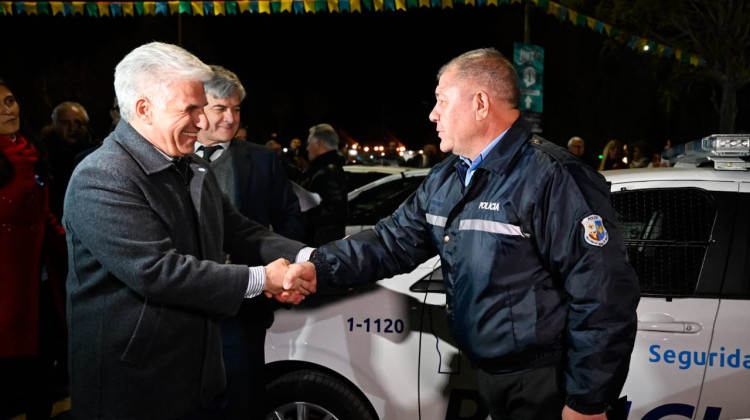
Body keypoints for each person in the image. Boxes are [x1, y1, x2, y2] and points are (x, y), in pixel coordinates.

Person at [295, 48, 639, 420]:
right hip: (489, 375)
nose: (432, 113)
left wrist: (587, 402)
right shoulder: (448, 177)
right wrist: (317, 266)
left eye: (442, 100)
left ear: (479, 103)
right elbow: (390, 241)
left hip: (545, 382)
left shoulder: (554, 177)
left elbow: (603, 293)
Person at [62, 41, 316, 420]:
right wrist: (264, 278)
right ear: (144, 108)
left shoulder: (191, 164)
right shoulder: (102, 176)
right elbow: (158, 272)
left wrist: (306, 258)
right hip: (135, 388)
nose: (203, 122)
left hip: (196, 378)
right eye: (191, 109)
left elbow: (237, 229)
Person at [194, 64, 306, 420]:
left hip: (244, 307)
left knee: (242, 401)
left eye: (237, 108)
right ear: (197, 107)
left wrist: (284, 269)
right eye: (220, 108)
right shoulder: (172, 157)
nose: (231, 118)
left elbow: (290, 219)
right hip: (184, 307)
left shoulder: (262, 159)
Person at [0, 77, 68, 420]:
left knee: (41, 370)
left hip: (40, 283)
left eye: (9, 100)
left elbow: (44, 216)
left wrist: (76, 249)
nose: (5, 109)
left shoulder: (30, 148)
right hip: (6, 287)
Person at [40, 100, 96, 220]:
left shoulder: (97, 153)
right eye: (66, 122)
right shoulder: (42, 154)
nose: (73, 128)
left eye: (78, 122)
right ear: (54, 124)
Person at [300, 123, 347, 246]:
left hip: (322, 242)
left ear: (318, 143)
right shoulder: (324, 168)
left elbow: (335, 209)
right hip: (322, 240)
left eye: (309, 143)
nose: (307, 148)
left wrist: (307, 215)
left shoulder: (330, 170)